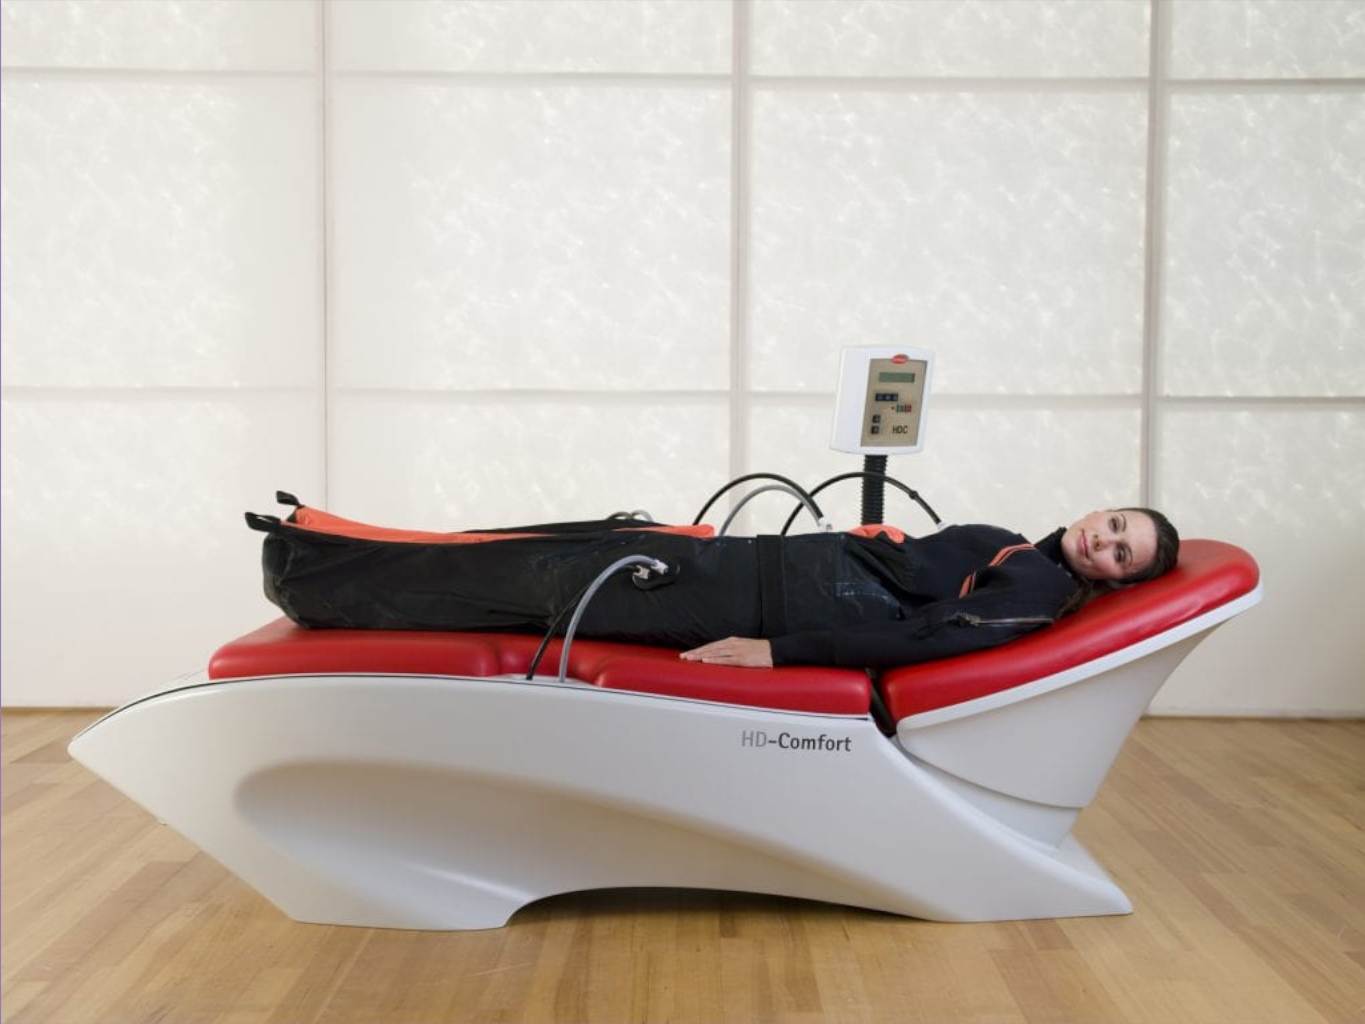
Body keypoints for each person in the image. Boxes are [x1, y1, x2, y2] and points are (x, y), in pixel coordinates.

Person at [251, 500, 1179, 671]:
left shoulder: (1034, 593)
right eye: (1115, 526)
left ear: (1116, 580)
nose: (1104, 543)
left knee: (521, 581)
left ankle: (313, 578)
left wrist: (776, 651)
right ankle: (319, 546)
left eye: (1122, 556)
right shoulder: (1018, 550)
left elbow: (925, 639)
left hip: (731, 602)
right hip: (727, 564)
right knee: (527, 551)